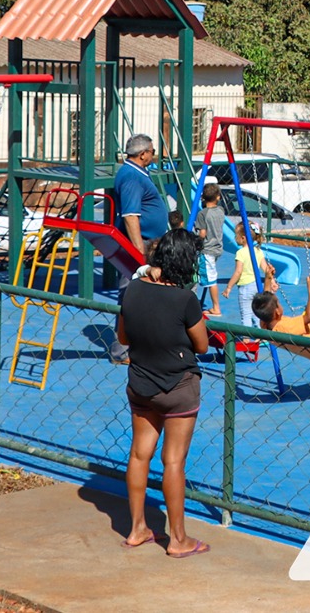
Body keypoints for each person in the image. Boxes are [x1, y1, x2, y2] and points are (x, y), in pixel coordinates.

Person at [117, 230, 209, 557]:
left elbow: (123, 335)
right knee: (174, 461)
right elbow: (202, 344)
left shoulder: (133, 289)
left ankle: (137, 528)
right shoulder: (186, 299)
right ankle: (178, 539)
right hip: (178, 386)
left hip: (141, 382)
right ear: (185, 262)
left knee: (140, 454)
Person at [114, 134, 170, 262]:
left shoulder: (136, 173)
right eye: (152, 152)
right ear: (143, 154)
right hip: (141, 243)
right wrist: (140, 253)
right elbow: (130, 215)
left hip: (148, 241)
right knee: (134, 280)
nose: (153, 155)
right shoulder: (132, 177)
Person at [223, 218, 271, 331]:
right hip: (256, 286)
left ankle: (246, 338)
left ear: (243, 238)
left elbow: (238, 272)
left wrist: (229, 287)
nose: (235, 238)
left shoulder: (240, 253)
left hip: (245, 288)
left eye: (236, 236)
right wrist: (271, 280)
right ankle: (262, 336)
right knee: (256, 313)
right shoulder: (258, 251)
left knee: (246, 315)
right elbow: (266, 269)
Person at [193, 183, 225, 318]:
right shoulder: (221, 210)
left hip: (207, 249)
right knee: (209, 275)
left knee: (210, 279)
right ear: (218, 197)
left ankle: (216, 307)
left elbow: (202, 234)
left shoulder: (202, 214)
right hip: (218, 247)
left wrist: (195, 238)